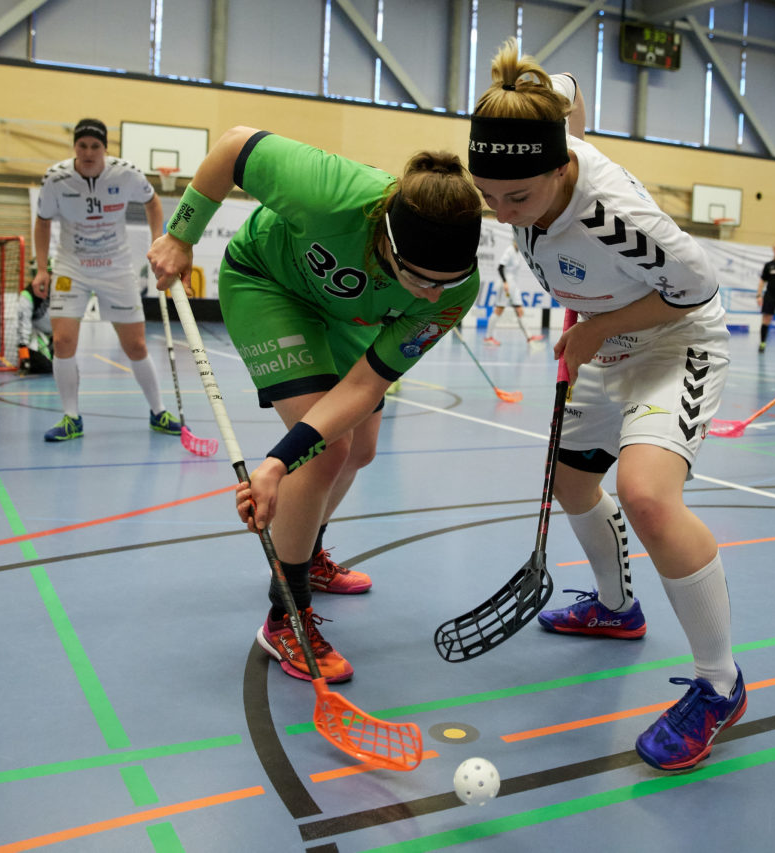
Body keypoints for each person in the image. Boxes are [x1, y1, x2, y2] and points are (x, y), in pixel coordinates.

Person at [468, 38, 744, 772]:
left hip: (673, 341)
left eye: (518, 199)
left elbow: (697, 288)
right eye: (488, 196)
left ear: (562, 167)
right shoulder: (539, 122)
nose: (503, 213)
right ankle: (617, 609)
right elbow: (563, 87)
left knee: (647, 497)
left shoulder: (615, 217)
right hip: (604, 337)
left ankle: (720, 684)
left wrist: (597, 325)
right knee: (571, 481)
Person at [148, 127, 483, 684]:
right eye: (419, 279)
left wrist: (277, 463)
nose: (431, 296)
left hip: (350, 316)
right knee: (327, 453)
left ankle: (307, 554)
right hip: (268, 282)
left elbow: (363, 388)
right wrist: (182, 235)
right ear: (387, 244)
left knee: (360, 450)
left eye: (446, 283)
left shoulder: (452, 291)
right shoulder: (332, 193)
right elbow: (234, 147)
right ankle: (287, 615)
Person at [32, 118, 182, 442]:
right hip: (72, 267)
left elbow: (153, 202)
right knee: (62, 341)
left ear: (105, 148)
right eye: (82, 145)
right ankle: (71, 417)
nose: (88, 152)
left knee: (136, 344)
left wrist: (159, 241)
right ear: (75, 147)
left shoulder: (126, 173)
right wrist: (43, 268)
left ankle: (158, 411)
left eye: (95, 146)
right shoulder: (56, 178)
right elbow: (42, 221)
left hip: (116, 267)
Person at [485, 239, 529, 345]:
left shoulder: (518, 252)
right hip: (506, 284)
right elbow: (500, 268)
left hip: (514, 284)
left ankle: (529, 337)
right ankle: (488, 337)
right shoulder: (509, 250)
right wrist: (505, 282)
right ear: (514, 241)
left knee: (519, 309)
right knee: (499, 309)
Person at [16, 279, 53, 374]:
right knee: (46, 367)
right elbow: (23, 325)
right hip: (36, 334)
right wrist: (24, 357)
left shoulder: (62, 290)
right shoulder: (28, 295)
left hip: (53, 335)